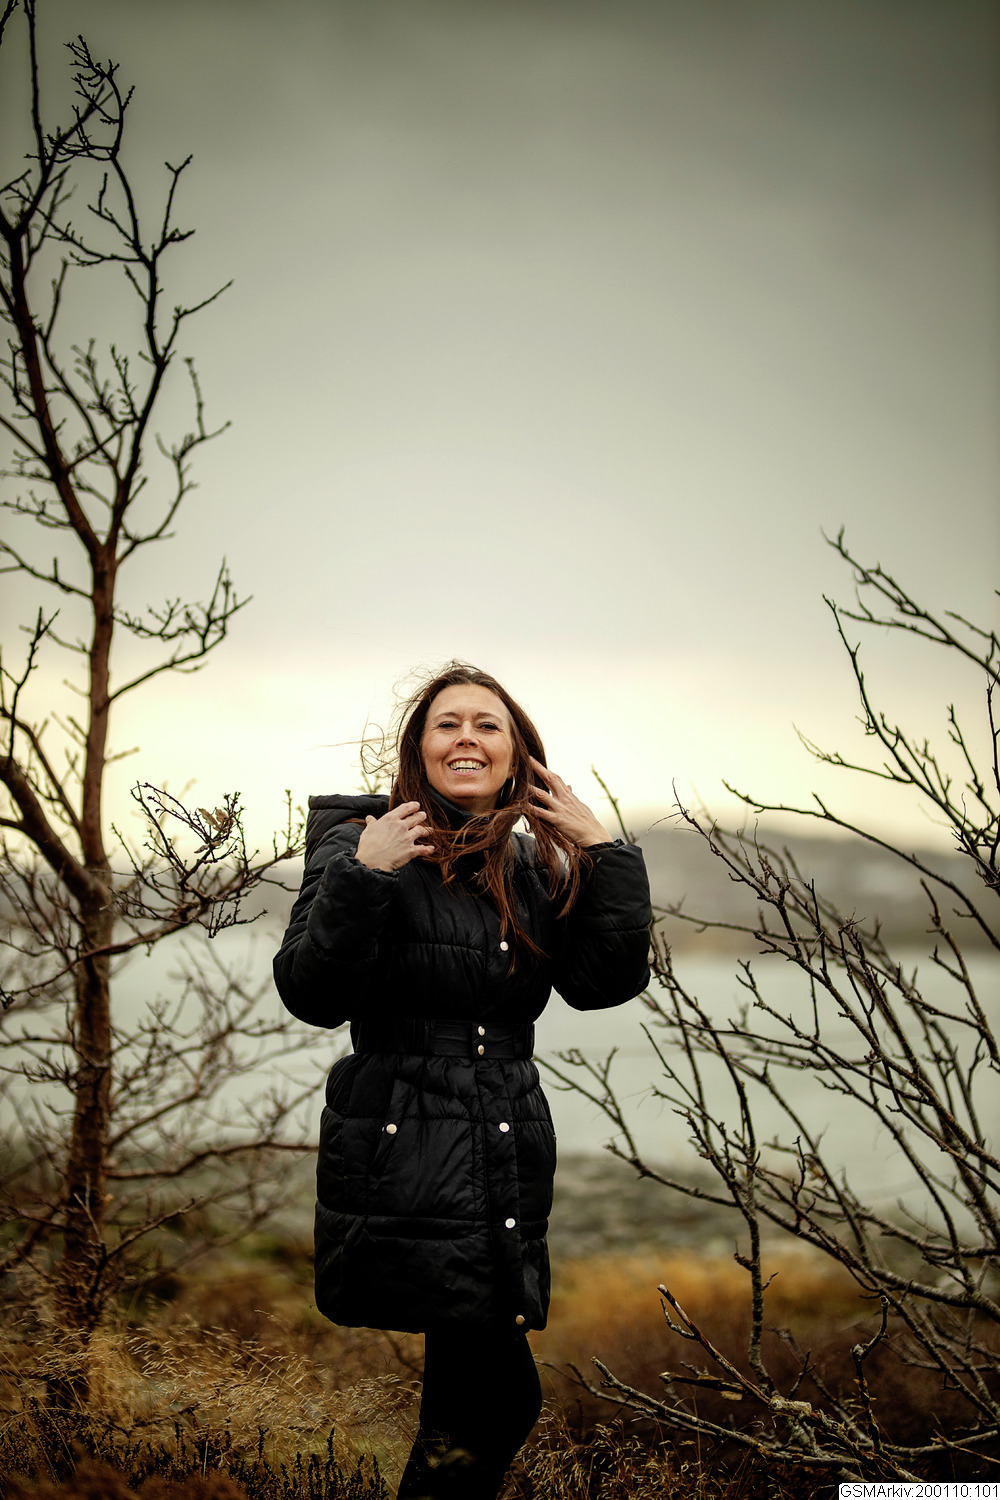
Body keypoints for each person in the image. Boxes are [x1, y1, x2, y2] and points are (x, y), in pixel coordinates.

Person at [273, 663, 652, 1499]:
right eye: (448, 724)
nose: (467, 740)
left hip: (503, 1140)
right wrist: (366, 874)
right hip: (407, 1142)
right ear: (419, 749)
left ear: (518, 754)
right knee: (495, 1398)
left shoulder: (528, 861)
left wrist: (602, 852)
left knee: (470, 1399)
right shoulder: (361, 842)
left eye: (488, 725)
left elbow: (602, 984)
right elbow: (310, 994)